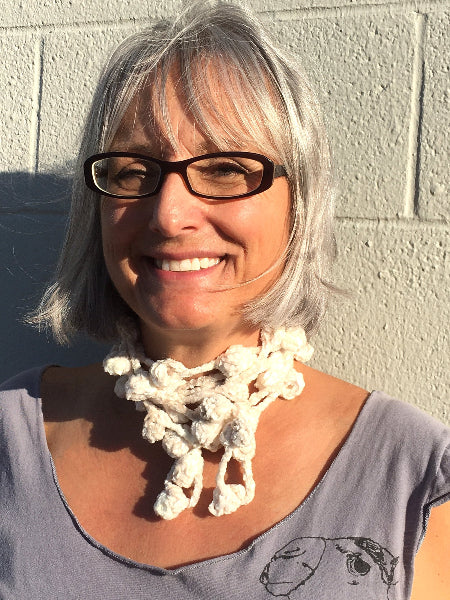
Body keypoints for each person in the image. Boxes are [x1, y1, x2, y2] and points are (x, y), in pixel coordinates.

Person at [0, 2, 448, 598]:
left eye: (227, 168)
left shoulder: (411, 478)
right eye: (133, 173)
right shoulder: (11, 436)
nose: (169, 213)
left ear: (301, 205)